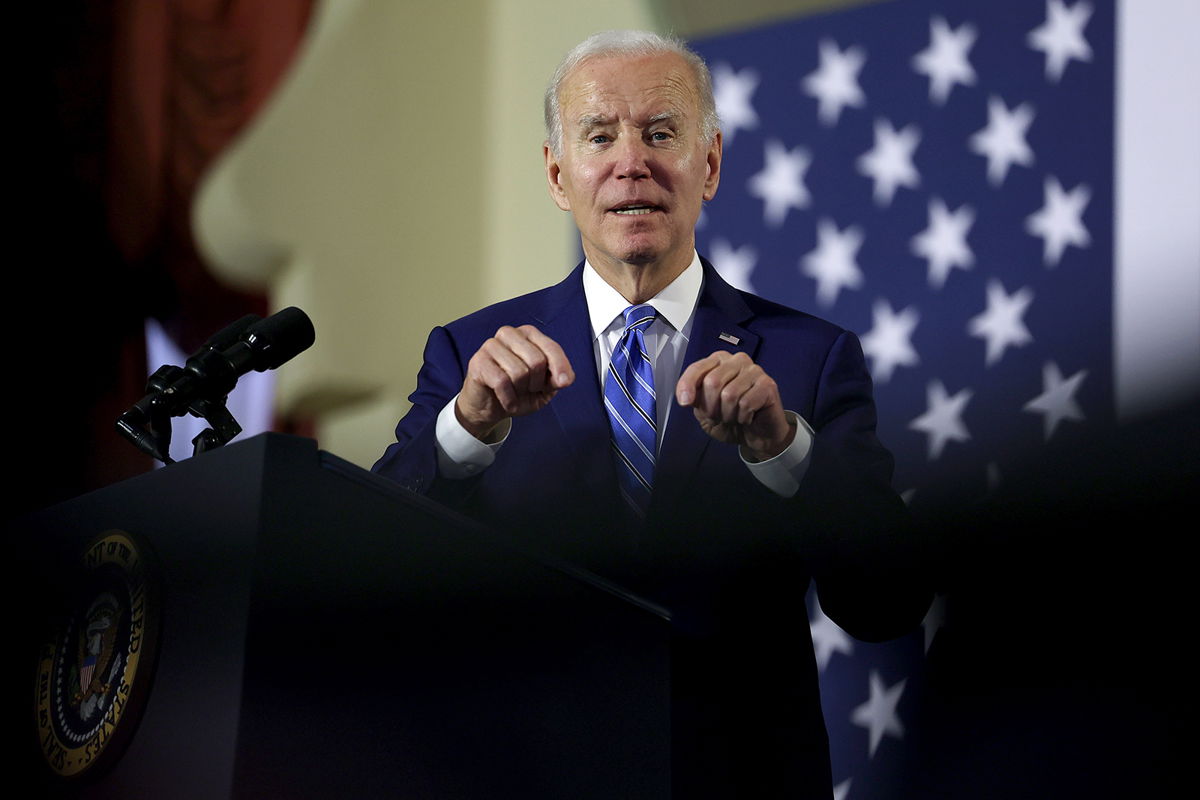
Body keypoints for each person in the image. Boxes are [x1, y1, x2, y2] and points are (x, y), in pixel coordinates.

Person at [373, 29, 930, 798]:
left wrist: (784, 451)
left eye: (660, 133)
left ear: (709, 164)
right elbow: (376, 564)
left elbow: (886, 601)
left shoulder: (811, 358)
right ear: (558, 174)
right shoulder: (470, 354)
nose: (631, 160)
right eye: (600, 135)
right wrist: (464, 431)